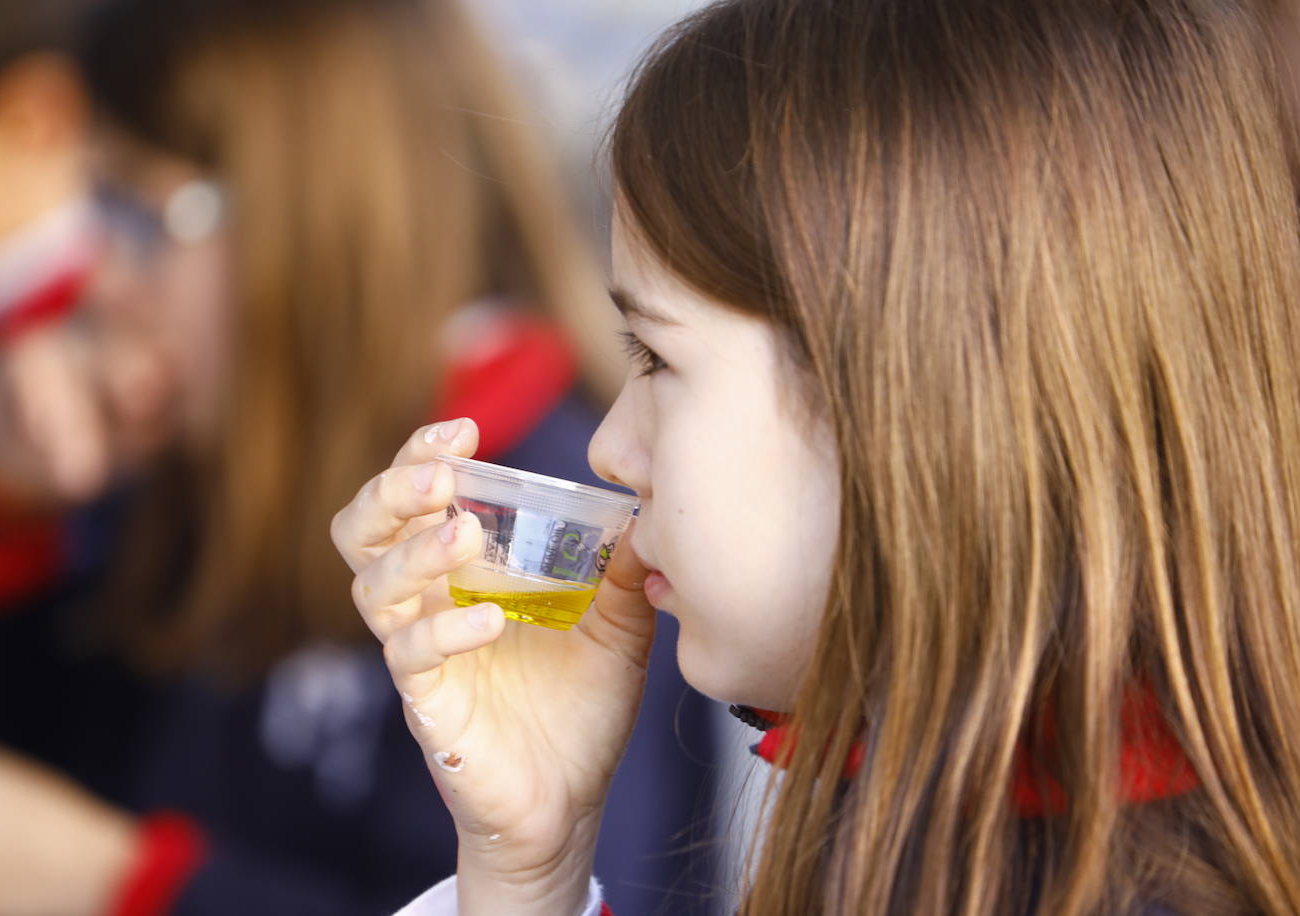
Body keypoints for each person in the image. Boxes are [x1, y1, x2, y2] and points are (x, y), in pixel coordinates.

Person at [332, 0, 1300, 913]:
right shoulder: (936, 829)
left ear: (917, 397)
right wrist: (527, 865)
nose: (609, 448)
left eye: (657, 356)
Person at [0, 0, 717, 914]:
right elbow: (12, 782)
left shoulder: (534, 509)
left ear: (311, 217)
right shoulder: (193, 469)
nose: (101, 275)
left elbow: (540, 882)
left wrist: (121, 885)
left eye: (141, 215)